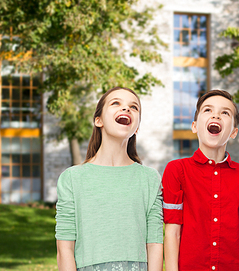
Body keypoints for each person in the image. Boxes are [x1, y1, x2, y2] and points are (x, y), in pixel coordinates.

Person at [55, 87, 163, 271]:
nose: (126, 109)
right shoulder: (72, 179)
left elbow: (154, 245)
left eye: (133, 107)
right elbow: (64, 249)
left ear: (136, 127)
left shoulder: (149, 179)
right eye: (116, 103)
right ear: (99, 120)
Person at [163, 90, 239, 271]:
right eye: (208, 110)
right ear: (194, 126)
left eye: (225, 113)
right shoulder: (176, 170)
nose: (216, 114)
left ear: (234, 132)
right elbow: (172, 231)